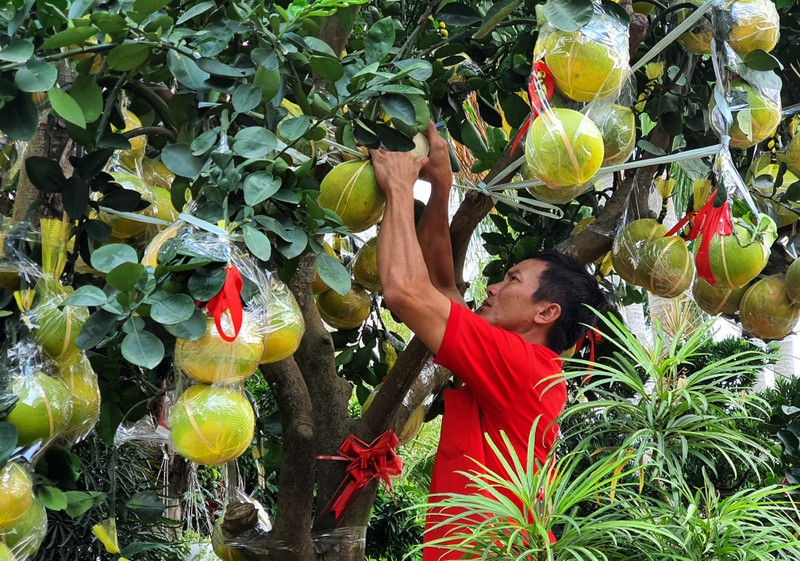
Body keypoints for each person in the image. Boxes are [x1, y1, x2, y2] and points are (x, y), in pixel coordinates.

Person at [370, 122, 608, 560]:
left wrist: (399, 190)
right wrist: (440, 186)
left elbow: (405, 290)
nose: (494, 288)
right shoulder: (520, 366)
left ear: (546, 312)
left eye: (512, 279)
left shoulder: (525, 369)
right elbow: (441, 288)